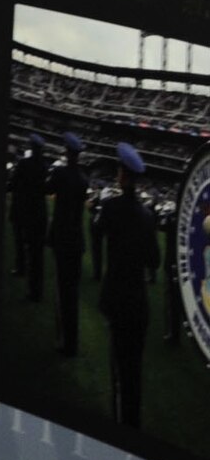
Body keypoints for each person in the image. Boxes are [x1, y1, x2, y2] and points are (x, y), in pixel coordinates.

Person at [94, 142, 160, 427]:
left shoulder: (110, 207)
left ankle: (124, 429)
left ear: (122, 175)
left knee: (120, 369)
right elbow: (154, 261)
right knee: (134, 370)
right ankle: (132, 421)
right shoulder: (147, 216)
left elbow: (96, 230)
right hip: (139, 304)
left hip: (118, 301)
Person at [46, 132, 92, 356]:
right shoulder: (83, 179)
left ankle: (64, 342)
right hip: (76, 239)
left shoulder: (60, 173)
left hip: (62, 238)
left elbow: (49, 189)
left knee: (62, 293)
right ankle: (71, 342)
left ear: (66, 152)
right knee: (71, 293)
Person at [9, 132, 49, 301]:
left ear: (31, 147)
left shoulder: (24, 163)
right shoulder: (45, 166)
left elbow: (13, 183)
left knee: (21, 240)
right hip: (39, 212)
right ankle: (36, 289)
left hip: (23, 208)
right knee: (36, 253)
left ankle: (21, 270)